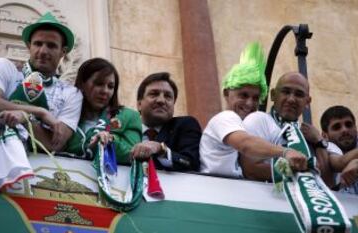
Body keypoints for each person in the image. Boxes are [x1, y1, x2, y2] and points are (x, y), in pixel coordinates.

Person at [199, 42, 307, 178]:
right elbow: (245, 144)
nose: (250, 103)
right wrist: (286, 152)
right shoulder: (225, 118)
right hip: (214, 192)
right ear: (226, 93)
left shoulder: (246, 124)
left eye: (256, 98)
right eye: (243, 95)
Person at [0, 12, 82, 151]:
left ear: (63, 52)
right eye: (38, 44)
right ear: (28, 46)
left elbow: (54, 144)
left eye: (51, 45)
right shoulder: (6, 68)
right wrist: (40, 112)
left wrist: (26, 118)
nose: (43, 51)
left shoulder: (71, 93)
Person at [241, 71, 329, 182]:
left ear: (307, 102)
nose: (291, 99)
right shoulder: (259, 120)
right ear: (273, 95)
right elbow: (251, 170)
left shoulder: (310, 135)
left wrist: (319, 143)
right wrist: (303, 174)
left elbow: (326, 181)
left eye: (299, 94)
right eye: (286, 92)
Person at [64, 58, 142, 163]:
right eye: (99, 84)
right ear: (82, 83)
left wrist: (110, 141)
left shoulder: (129, 116)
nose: (105, 91)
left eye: (110, 86)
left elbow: (132, 155)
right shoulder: (65, 114)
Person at [130, 72, 202, 171]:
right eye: (154, 94)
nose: (161, 100)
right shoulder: (126, 129)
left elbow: (191, 163)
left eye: (168, 96)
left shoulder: (185, 126)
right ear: (139, 104)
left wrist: (162, 150)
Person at [320, 105, 358, 194]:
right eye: (337, 127)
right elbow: (341, 162)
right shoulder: (323, 149)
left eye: (349, 125)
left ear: (356, 128)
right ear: (325, 136)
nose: (345, 130)